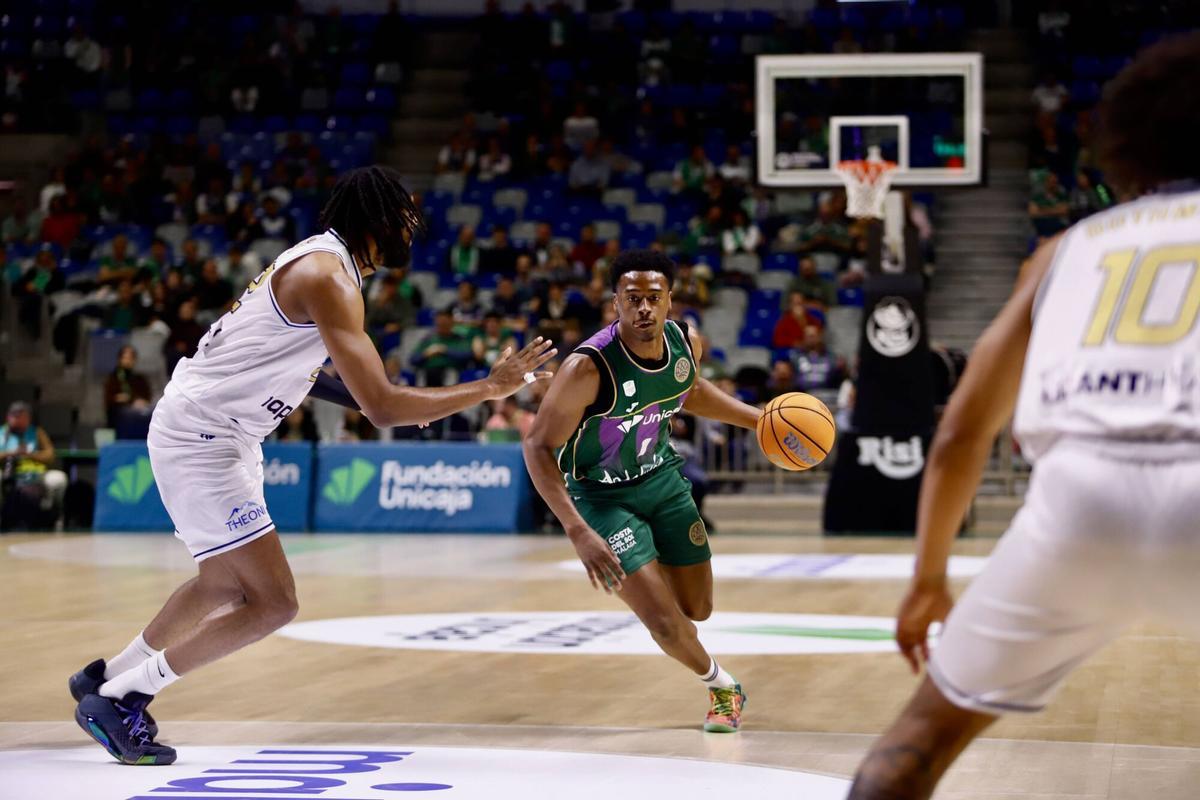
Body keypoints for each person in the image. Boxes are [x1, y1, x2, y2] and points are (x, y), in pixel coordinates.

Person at [69, 166, 556, 766]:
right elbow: (382, 409)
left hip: (218, 430)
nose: (413, 227)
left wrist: (397, 401)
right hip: (206, 435)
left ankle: (103, 679)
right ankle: (125, 698)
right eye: (404, 217)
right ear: (376, 220)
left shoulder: (324, 265)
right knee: (274, 603)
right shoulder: (330, 278)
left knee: (222, 584)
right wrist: (487, 387)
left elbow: (310, 372)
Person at [848, 34, 1200, 798]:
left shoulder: (1067, 247)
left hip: (1079, 501)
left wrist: (929, 580)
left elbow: (959, 434)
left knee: (913, 745)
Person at [523, 250, 762, 733]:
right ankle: (722, 687)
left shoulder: (685, 341)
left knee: (697, 610)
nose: (644, 309)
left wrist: (760, 420)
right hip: (601, 501)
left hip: (664, 483)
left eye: (654, 298)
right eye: (632, 299)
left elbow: (688, 391)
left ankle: (670, 618)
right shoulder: (587, 369)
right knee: (663, 622)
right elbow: (537, 446)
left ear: (671, 301)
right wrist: (577, 530)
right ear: (615, 303)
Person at [0, 401, 68, 531]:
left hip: (35, 475)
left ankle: (55, 517)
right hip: (7, 474)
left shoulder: (37, 433)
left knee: (58, 479)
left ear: (27, 418)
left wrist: (30, 455)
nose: (16, 419)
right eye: (13, 415)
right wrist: (11, 454)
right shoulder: (1, 433)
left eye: (20, 415)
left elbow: (50, 455)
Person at [104, 345, 153, 429]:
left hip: (138, 417)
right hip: (119, 419)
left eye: (130, 358)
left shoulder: (140, 379)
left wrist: (129, 399)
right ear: (119, 359)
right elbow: (111, 399)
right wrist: (132, 400)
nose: (127, 361)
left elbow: (146, 398)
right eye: (125, 358)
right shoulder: (113, 378)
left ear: (134, 360)